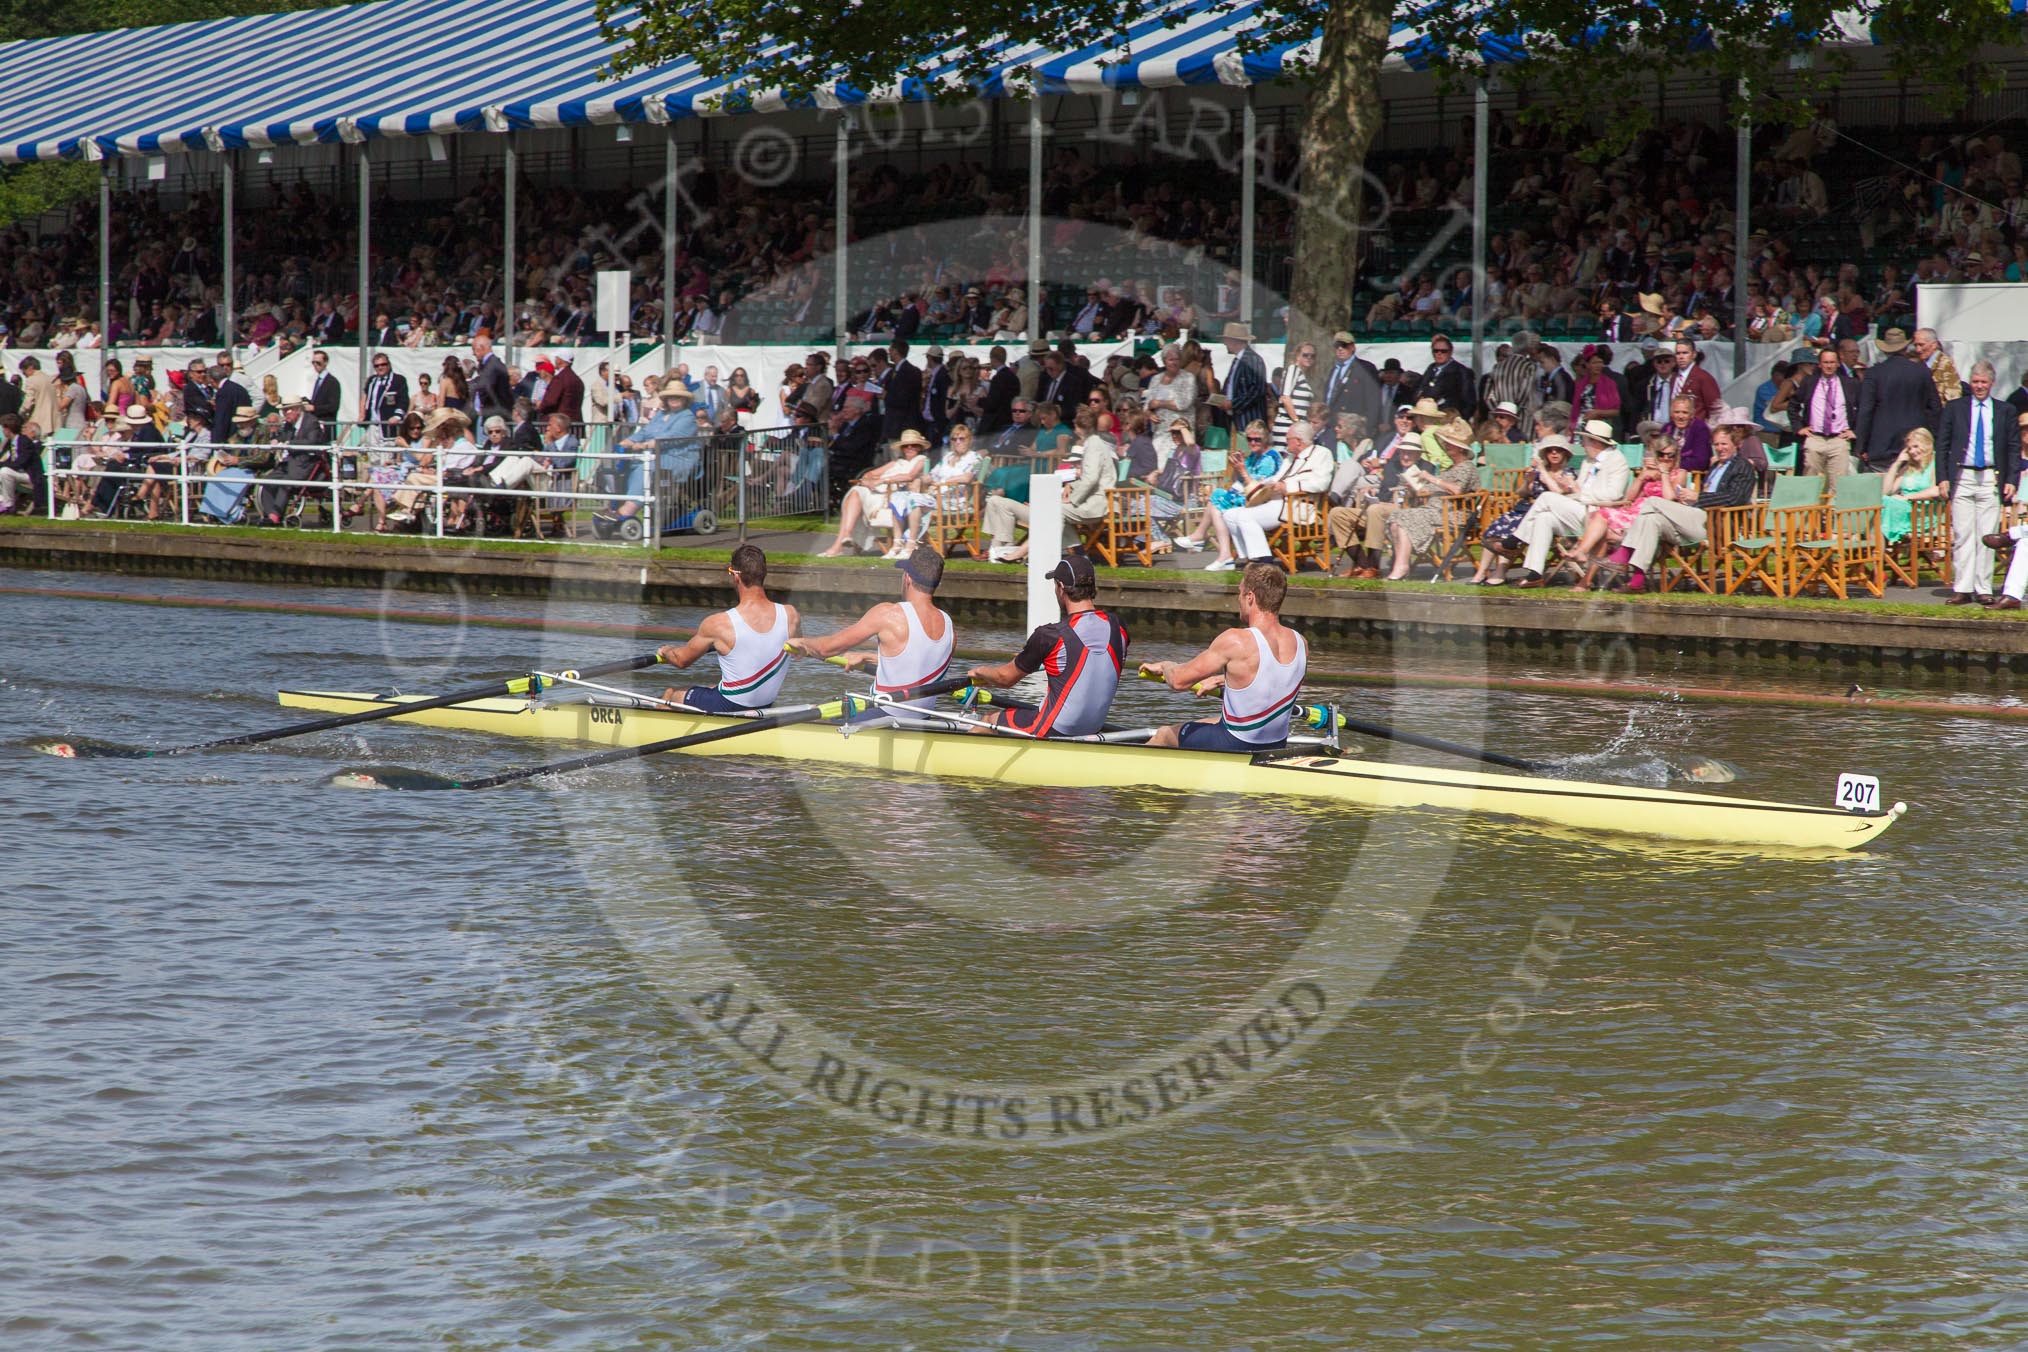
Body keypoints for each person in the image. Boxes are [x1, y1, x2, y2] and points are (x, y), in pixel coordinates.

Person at [1140, 562, 1306, 750]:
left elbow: (1178, 681)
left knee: (1164, 734)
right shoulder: (1300, 643)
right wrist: (1223, 679)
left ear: (1250, 597)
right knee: (1209, 722)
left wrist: (1166, 665)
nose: (1238, 599)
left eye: (1240, 593)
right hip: (1275, 744)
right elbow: (1272, 679)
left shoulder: (1236, 640)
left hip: (1236, 744)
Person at [964, 553, 1127, 738]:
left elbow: (1005, 679)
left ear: (1060, 587)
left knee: (988, 719)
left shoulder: (1049, 635)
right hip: (1092, 729)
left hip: (1052, 728)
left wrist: (980, 672)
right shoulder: (1118, 627)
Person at [786, 543, 955, 715]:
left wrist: (803, 643)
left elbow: (826, 649)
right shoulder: (949, 626)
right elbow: (917, 666)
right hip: (922, 720)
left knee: (812, 713)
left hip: (884, 715)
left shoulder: (888, 613)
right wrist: (870, 657)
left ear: (907, 578)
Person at [1602, 420, 1763, 593]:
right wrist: (1688, 498)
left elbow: (1735, 499)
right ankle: (1637, 583)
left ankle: (1624, 553)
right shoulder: (1716, 466)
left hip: (1718, 525)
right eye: (1716, 444)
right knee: (1651, 520)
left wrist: (1698, 496)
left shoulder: (1743, 467)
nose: (1719, 448)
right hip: (1699, 518)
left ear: (1736, 444)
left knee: (1652, 502)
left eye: (1724, 444)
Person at [655, 545, 804, 711]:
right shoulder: (790, 615)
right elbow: (797, 653)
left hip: (729, 706)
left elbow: (680, 660)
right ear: (763, 574)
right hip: (765, 705)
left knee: (672, 693)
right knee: (714, 687)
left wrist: (666, 651)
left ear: (736, 576)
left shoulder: (718, 624)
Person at [1513, 418, 1632, 585]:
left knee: (1546, 497)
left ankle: (1514, 541)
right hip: (1582, 511)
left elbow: (1614, 494)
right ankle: (1535, 573)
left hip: (1600, 516)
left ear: (1595, 442)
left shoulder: (1617, 460)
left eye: (1584, 441)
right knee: (1544, 518)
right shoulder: (1588, 461)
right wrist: (1570, 487)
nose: (1582, 445)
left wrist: (1580, 494)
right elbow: (1579, 490)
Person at [1940, 360, 2020, 605]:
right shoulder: (1955, 408)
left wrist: (2011, 479)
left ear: (1991, 383)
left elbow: (2013, 447)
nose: (1979, 386)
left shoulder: (2005, 410)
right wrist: (1942, 478)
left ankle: (1983, 588)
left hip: (1990, 477)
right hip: (1962, 475)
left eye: (1983, 382)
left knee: (1986, 535)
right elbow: (1942, 445)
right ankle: (1962, 588)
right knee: (1963, 533)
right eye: (1975, 382)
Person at [1219, 420, 1334, 568]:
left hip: (1297, 506)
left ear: (1298, 441)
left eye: (1288, 439)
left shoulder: (1322, 454)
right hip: (1277, 503)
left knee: (1245, 516)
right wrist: (1267, 484)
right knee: (1229, 514)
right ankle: (1249, 555)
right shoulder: (1290, 458)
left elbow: (1323, 483)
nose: (1286, 443)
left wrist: (1288, 487)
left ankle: (1263, 559)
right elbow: (1275, 479)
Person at [1383, 418, 1481, 580]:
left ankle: (1402, 567)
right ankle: (1401, 564)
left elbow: (1457, 490)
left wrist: (1431, 478)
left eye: (1449, 444)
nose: (1446, 446)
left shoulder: (1467, 467)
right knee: (1395, 518)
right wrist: (1415, 488)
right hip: (1436, 510)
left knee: (1403, 518)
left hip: (1452, 514)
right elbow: (1437, 489)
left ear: (1460, 448)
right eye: (1446, 443)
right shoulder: (1451, 468)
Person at [1474, 437, 1575, 585]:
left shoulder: (1567, 474)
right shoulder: (1538, 472)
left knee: (1512, 530)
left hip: (1546, 514)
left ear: (1565, 453)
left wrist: (1543, 473)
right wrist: (1528, 482)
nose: (1554, 453)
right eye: (1550, 450)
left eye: (1558, 450)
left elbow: (1558, 495)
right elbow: (1521, 493)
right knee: (1496, 528)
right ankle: (1481, 572)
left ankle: (1500, 571)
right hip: (1525, 507)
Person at [819, 428, 931, 557]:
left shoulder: (922, 460)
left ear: (919, 447)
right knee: (855, 491)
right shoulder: (896, 462)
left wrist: (882, 480)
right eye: (906, 445)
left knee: (855, 494)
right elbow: (870, 473)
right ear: (902, 448)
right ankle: (846, 535)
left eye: (914, 445)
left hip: (895, 496)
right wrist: (869, 481)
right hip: (878, 492)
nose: (909, 448)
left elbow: (909, 476)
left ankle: (838, 546)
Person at [1855, 327, 1943, 472]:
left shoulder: (1874, 373)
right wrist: (1936, 439)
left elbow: (1866, 411)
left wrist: (1860, 446)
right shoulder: (1922, 371)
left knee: (1884, 484)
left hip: (1882, 444)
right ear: (1905, 348)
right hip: (1915, 443)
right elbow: (1935, 409)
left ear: (1885, 350)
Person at [255, 396, 327, 525]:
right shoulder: (289, 424)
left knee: (286, 483)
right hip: (288, 462)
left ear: (297, 409)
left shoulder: (312, 422)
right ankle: (269, 514)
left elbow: (312, 442)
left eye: (286, 410)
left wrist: (290, 443)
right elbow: (283, 437)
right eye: (283, 411)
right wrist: (276, 440)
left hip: (306, 463)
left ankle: (275, 516)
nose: (284, 414)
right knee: (267, 481)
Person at [1796, 346, 1861, 478]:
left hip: (1839, 439)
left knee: (1838, 481)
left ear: (1838, 364)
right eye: (1826, 362)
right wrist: (1799, 427)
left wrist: (1856, 431)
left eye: (1832, 362)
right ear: (1820, 364)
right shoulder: (1809, 382)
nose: (1829, 366)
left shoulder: (1850, 383)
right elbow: (1793, 405)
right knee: (1810, 478)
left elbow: (1863, 408)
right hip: (1815, 437)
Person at [1882, 427, 1945, 545]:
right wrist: (1897, 463)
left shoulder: (1936, 463)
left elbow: (1937, 490)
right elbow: (1887, 492)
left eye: (1916, 446)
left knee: (1884, 506)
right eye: (1909, 448)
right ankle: (1878, 543)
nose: (1912, 451)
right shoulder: (1909, 467)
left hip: (1924, 513)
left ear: (1927, 444)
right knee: (1883, 501)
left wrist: (1907, 497)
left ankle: (1877, 545)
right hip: (1905, 511)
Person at [1211, 321, 1268, 432]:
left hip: (1248, 420)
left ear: (1234, 341)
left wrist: (1233, 403)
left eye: (1226, 340)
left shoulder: (1253, 360)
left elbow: (1257, 390)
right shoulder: (1237, 360)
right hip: (1236, 420)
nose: (1224, 343)